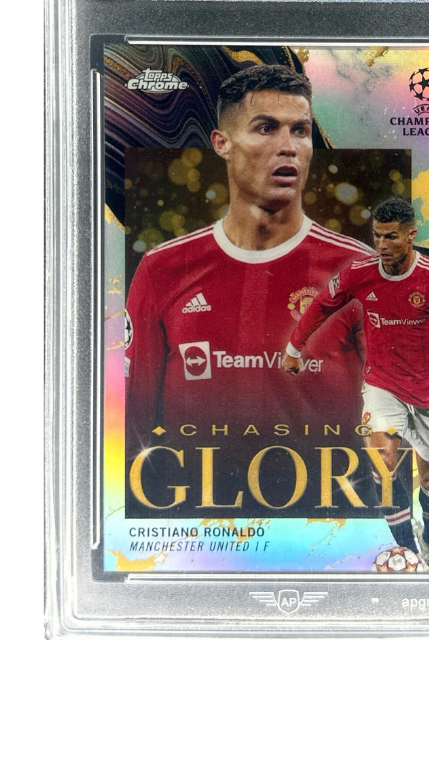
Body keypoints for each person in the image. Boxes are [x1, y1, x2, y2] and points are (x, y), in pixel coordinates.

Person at [124, 65, 373, 497]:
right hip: (201, 526)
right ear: (222, 143)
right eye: (266, 128)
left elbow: (397, 413)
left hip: (328, 524)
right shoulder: (163, 269)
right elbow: (133, 428)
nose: (288, 146)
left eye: (300, 131)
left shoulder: (359, 271)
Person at [283, 197, 429, 571]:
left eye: (391, 237)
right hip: (382, 385)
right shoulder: (360, 273)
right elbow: (323, 303)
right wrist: (295, 347)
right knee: (382, 459)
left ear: (411, 235)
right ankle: (408, 549)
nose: (382, 245)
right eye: (376, 236)